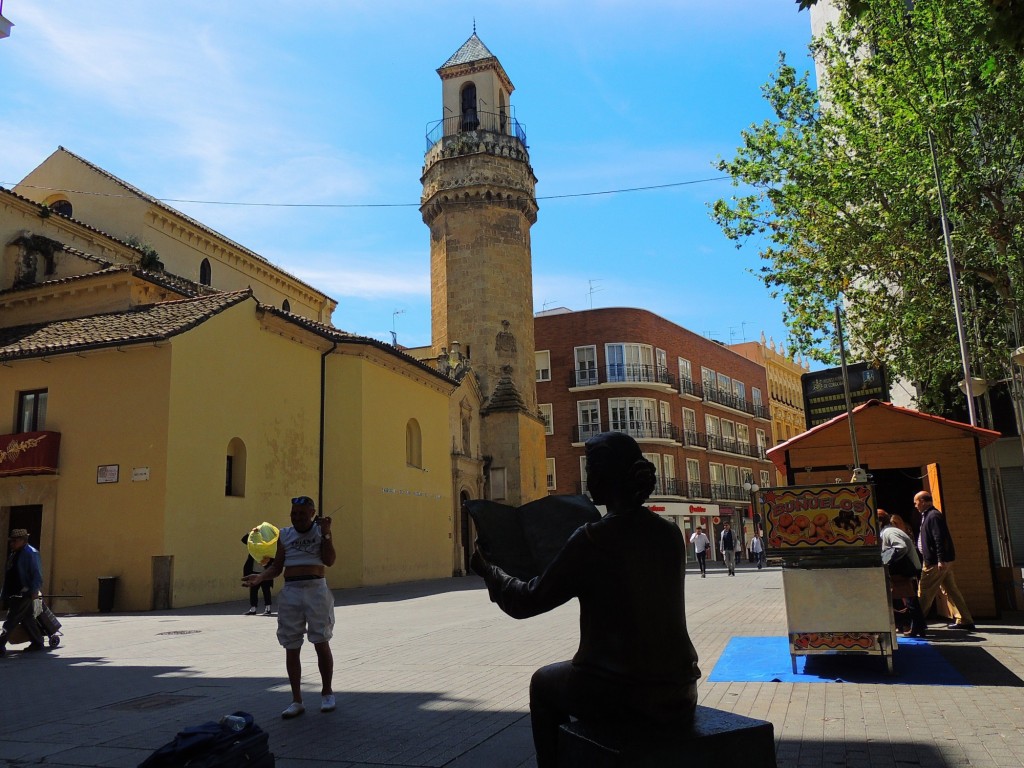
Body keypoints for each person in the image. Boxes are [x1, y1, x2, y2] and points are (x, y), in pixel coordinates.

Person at [472, 432, 700, 768]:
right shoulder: (669, 534)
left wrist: (490, 571)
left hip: (624, 691)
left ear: (607, 474)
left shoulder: (592, 539)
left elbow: (527, 601)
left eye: (591, 467)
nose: (587, 476)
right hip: (679, 688)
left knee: (543, 684)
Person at [243, 496, 337, 718]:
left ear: (312, 514)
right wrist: (260, 578)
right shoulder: (284, 535)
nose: (297, 518)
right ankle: (297, 700)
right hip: (291, 592)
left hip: (316, 591)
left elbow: (330, 560)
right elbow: (277, 567)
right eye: (294, 513)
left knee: (321, 641)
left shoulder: (320, 531)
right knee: (291, 646)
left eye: (302, 514)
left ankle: (327, 693)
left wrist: (326, 533)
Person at [914, 491, 975, 631]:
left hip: (935, 562)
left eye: (916, 502)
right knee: (951, 590)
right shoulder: (930, 515)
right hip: (941, 561)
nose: (915, 506)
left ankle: (917, 623)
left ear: (923, 501)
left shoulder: (933, 516)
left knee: (924, 591)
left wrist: (940, 559)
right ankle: (965, 618)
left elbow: (939, 538)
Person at [879, 510, 926, 638]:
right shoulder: (889, 531)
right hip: (904, 570)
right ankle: (916, 627)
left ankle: (916, 627)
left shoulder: (889, 532)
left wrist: (889, 561)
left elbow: (901, 547)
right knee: (908, 599)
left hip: (903, 570)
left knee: (908, 599)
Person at [0, 528, 45, 656]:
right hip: (14, 592)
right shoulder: (15, 553)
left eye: (14, 541)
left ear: (22, 540)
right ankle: (38, 642)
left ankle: (0, 644)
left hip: (24, 592)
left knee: (12, 618)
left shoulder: (31, 553)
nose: (11, 543)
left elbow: (37, 574)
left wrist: (34, 590)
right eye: (11, 541)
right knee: (27, 618)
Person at [242, 531, 274, 616]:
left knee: (266, 590)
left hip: (265, 574)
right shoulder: (253, 547)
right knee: (253, 591)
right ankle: (253, 608)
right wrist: (251, 533)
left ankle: (268, 608)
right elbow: (244, 539)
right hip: (254, 572)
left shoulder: (267, 548)